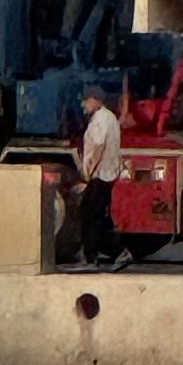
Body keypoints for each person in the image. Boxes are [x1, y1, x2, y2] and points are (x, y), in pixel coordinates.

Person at [80, 85, 122, 265]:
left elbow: (98, 147)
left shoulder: (101, 119)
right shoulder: (108, 117)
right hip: (106, 174)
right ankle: (111, 251)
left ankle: (92, 255)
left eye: (86, 100)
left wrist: (88, 173)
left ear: (95, 100)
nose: (83, 104)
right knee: (100, 216)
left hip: (100, 175)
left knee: (89, 214)